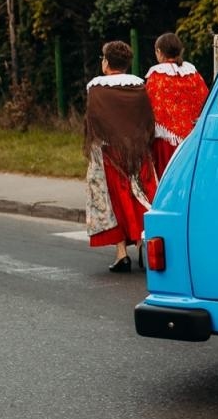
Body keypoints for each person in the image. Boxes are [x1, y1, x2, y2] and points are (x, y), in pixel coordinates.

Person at [84, 41, 158, 273]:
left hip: (109, 153)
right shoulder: (138, 87)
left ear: (106, 62)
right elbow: (147, 119)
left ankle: (120, 253)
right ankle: (141, 244)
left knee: (114, 200)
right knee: (140, 196)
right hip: (137, 150)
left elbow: (94, 124)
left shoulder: (96, 89)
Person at [144, 32, 208, 174]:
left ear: (159, 52)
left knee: (167, 177)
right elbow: (204, 101)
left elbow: (148, 108)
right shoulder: (193, 74)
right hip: (193, 139)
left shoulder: (156, 76)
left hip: (166, 142)